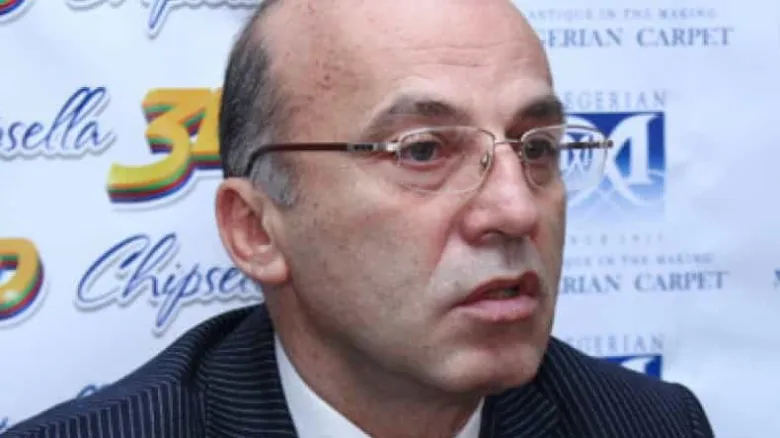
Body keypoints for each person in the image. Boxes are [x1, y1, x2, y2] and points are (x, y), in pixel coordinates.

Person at [5, 0, 715, 437]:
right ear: (256, 229)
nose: (515, 208)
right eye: (424, 150)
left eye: (536, 148)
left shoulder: (650, 425)